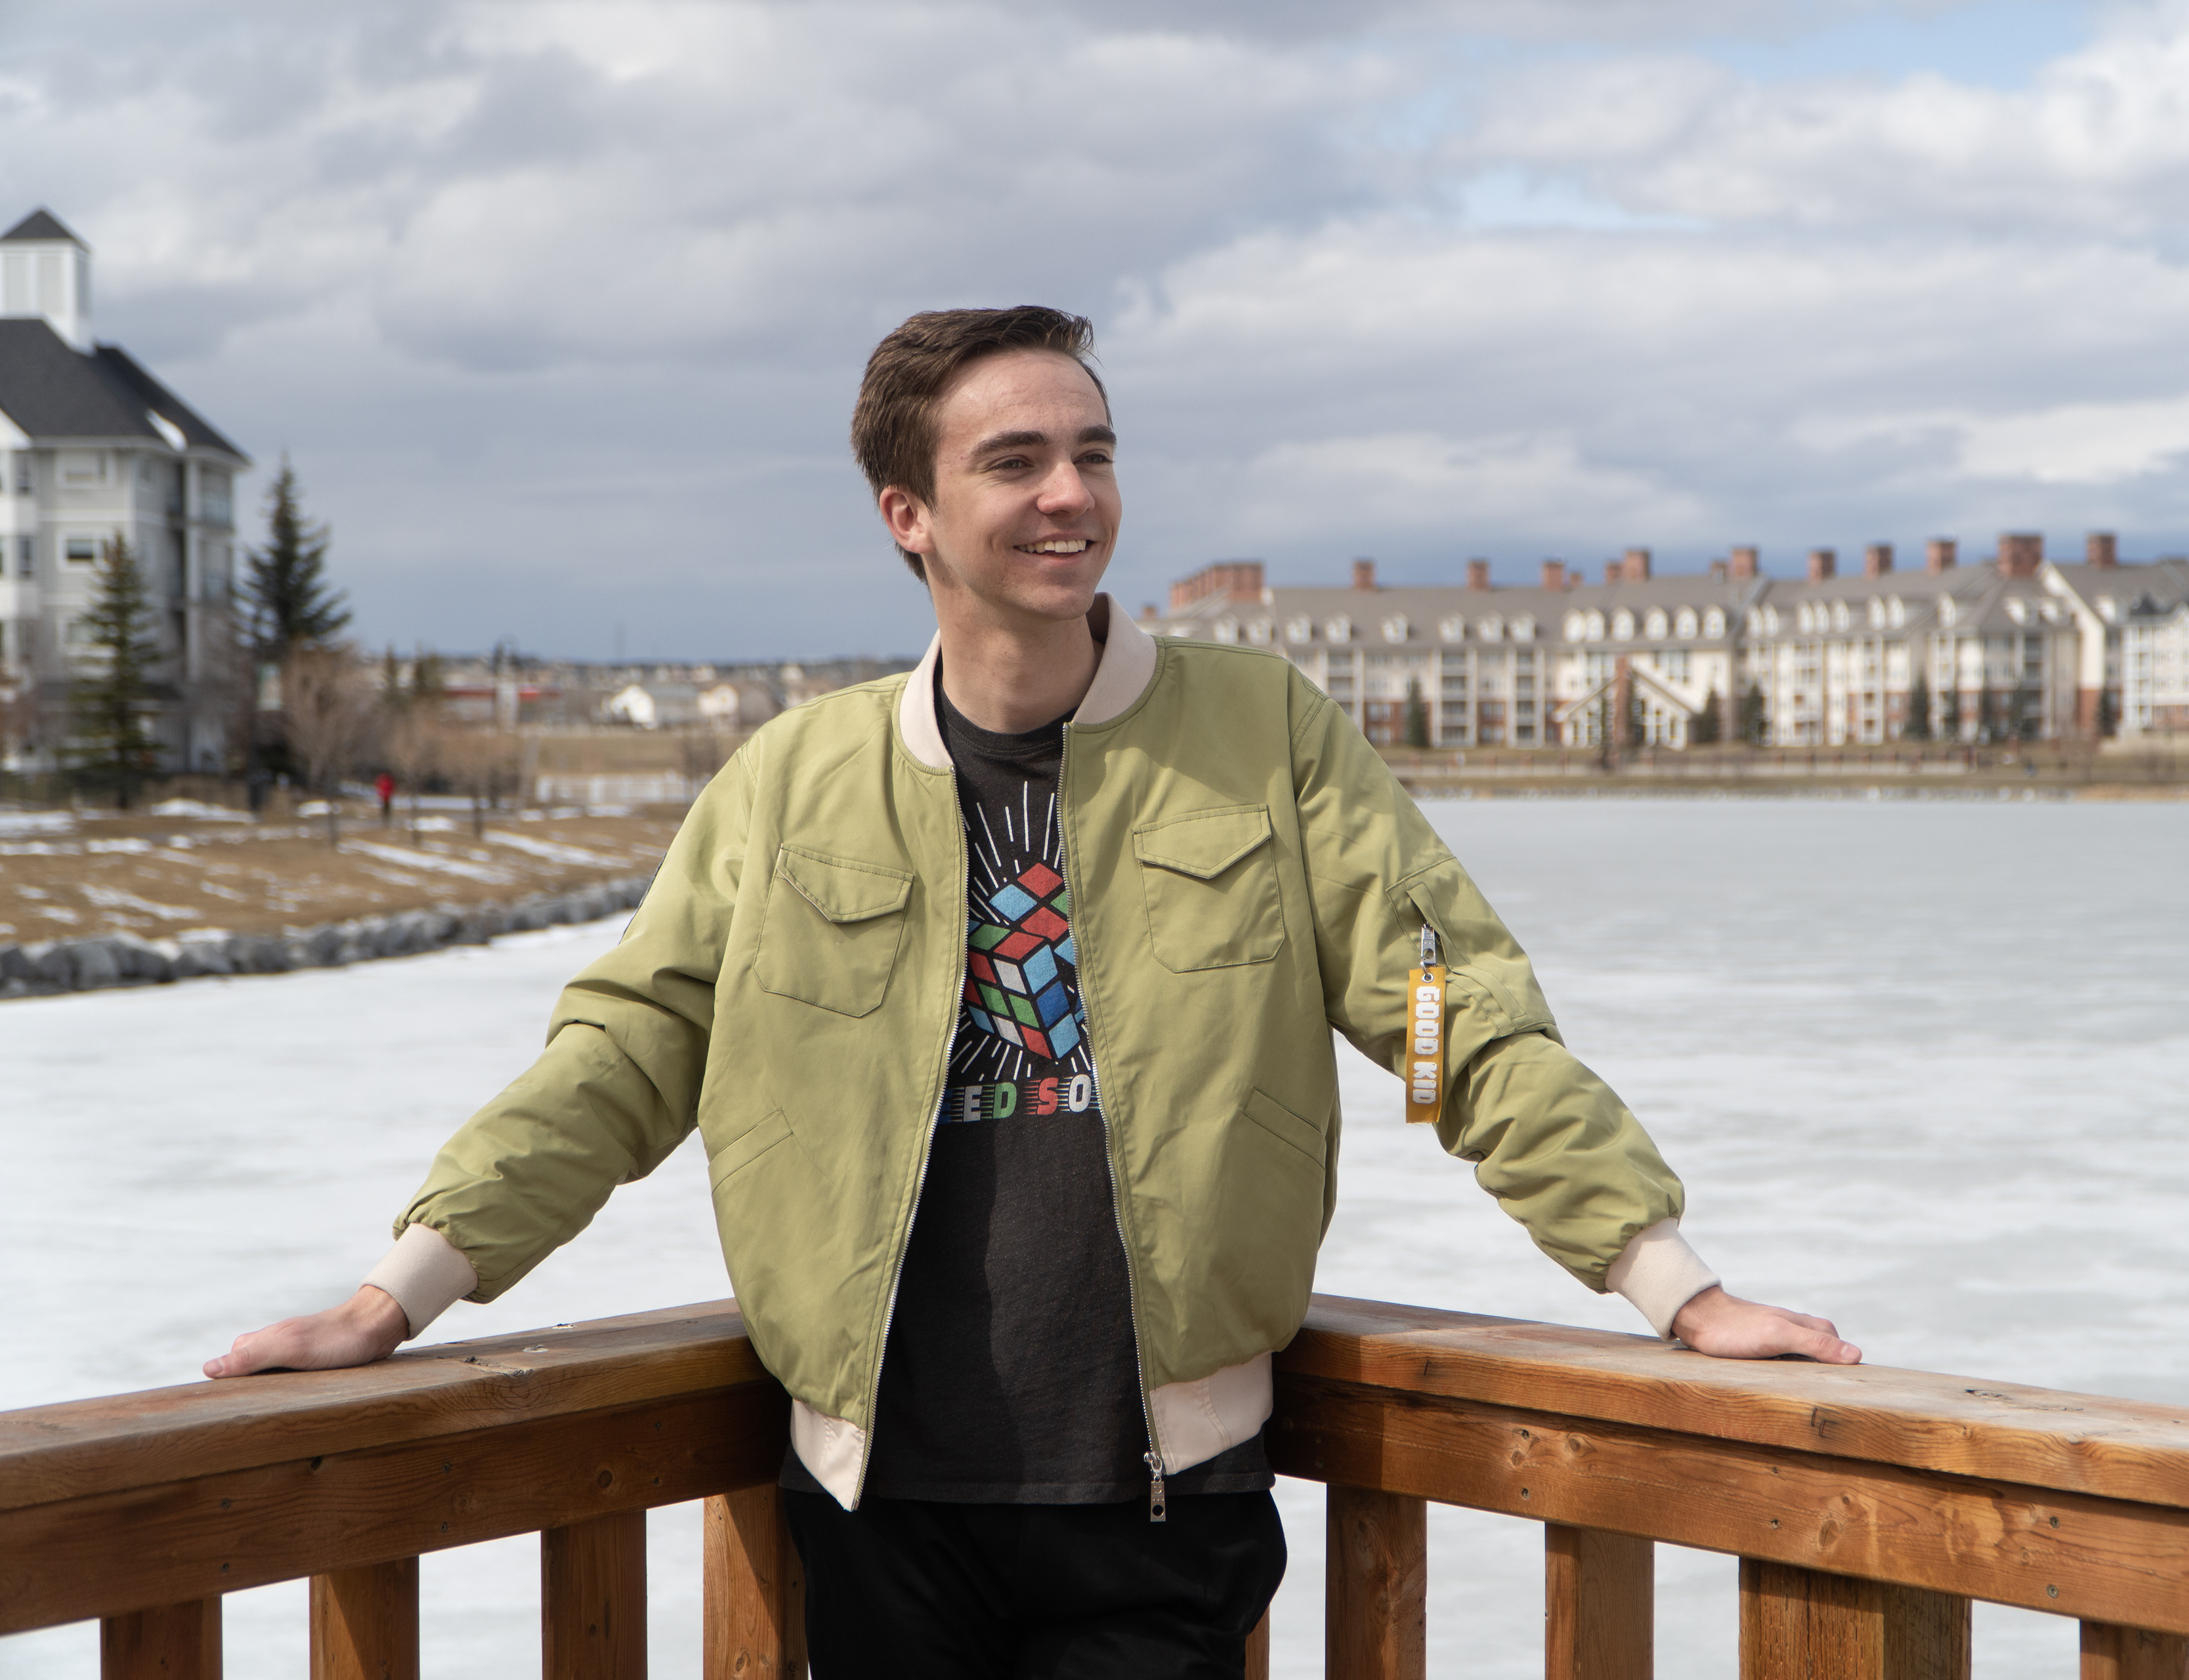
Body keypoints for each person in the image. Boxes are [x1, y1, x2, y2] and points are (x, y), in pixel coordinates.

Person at [208, 306, 1858, 1677]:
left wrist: (1671, 1283)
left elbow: (1446, 1017)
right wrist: (395, 1295)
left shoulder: (1265, 737)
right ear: (906, 513)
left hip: (1164, 1494)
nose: (1071, 493)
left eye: (1095, 452)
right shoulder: (791, 780)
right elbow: (629, 1056)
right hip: (875, 1505)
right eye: (1016, 460)